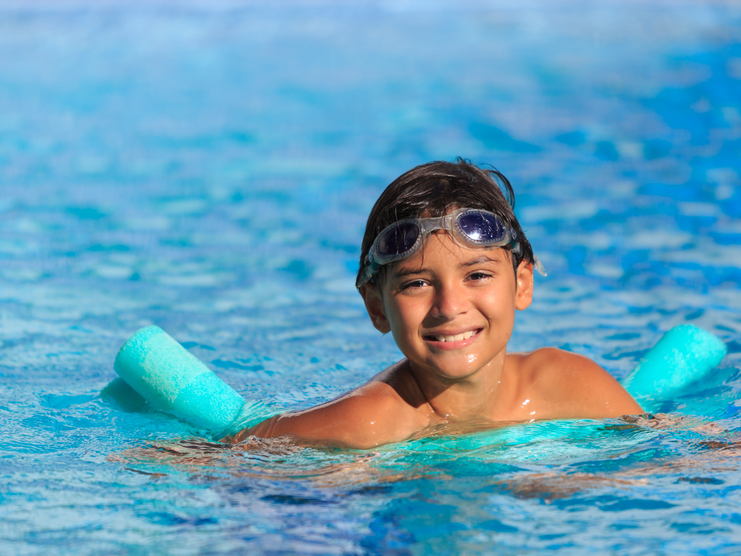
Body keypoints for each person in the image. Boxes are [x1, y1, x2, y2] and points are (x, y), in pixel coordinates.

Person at [229, 159, 642, 449]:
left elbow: (676, 453)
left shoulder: (567, 384)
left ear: (522, 283)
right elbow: (226, 458)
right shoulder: (369, 423)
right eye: (417, 283)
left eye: (477, 275)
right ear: (376, 307)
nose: (449, 305)